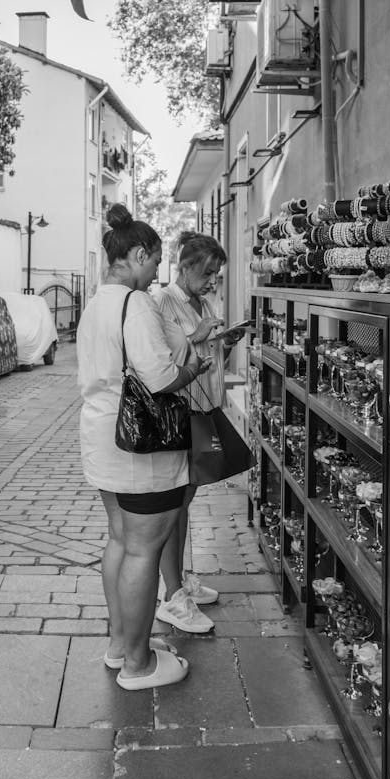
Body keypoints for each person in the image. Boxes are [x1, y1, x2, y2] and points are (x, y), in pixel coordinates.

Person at [76, 205, 211, 690]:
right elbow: (159, 376)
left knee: (120, 541)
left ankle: (121, 645)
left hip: (102, 440)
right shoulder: (135, 305)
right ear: (136, 255)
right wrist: (193, 370)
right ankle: (138, 663)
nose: (157, 274)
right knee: (143, 553)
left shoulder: (96, 302)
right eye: (154, 263)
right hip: (138, 449)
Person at [153, 232, 244, 633]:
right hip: (180, 412)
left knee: (187, 498)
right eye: (207, 272)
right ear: (184, 266)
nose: (212, 281)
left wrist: (226, 341)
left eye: (217, 274)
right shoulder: (164, 302)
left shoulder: (203, 302)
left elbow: (208, 355)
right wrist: (200, 336)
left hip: (205, 408)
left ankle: (181, 582)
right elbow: (162, 359)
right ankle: (171, 595)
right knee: (174, 503)